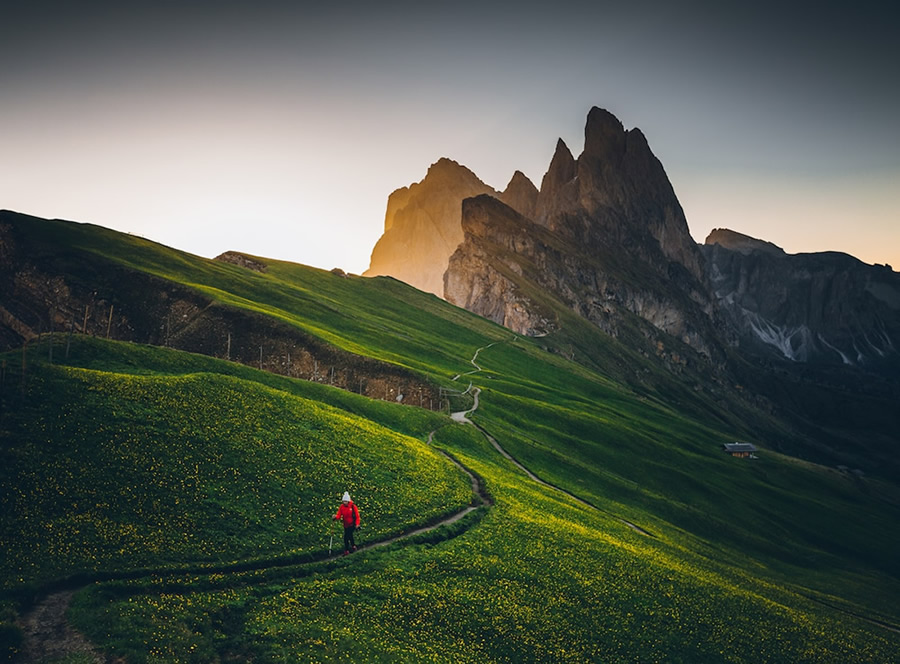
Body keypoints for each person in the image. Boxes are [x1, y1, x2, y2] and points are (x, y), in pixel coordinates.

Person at [333, 491, 361, 555]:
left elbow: (357, 516)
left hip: (352, 524)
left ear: (348, 501)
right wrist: (335, 517)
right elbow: (339, 515)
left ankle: (346, 550)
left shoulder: (353, 507)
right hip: (346, 525)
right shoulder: (341, 507)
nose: (344, 502)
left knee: (346, 537)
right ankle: (353, 546)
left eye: (345, 501)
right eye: (343, 501)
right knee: (350, 536)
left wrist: (357, 524)